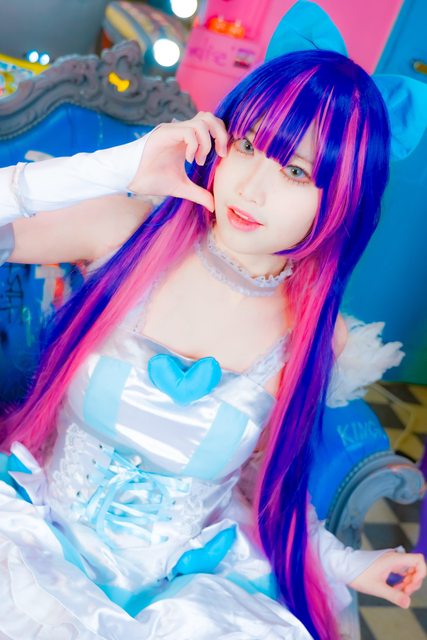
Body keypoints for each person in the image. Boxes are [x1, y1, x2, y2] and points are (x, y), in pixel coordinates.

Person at [0, 5, 426, 639]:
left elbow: (269, 487)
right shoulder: (124, 232)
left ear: (341, 200)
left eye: (296, 171)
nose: (250, 188)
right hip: (36, 550)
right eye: (248, 145)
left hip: (182, 597)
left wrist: (349, 563)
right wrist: (120, 166)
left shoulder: (314, 335)